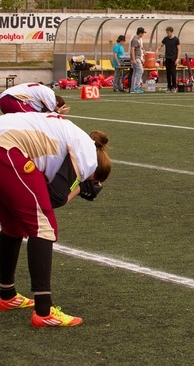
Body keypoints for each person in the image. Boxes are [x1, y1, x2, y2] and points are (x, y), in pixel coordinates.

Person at [0, 113, 111, 327]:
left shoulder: (74, 138)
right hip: (7, 148)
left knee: (14, 224)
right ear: (96, 173)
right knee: (43, 225)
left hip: (7, 143)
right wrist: (79, 188)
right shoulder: (87, 155)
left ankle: (6, 294)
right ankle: (44, 312)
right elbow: (54, 198)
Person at [0, 82, 69, 115]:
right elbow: (48, 117)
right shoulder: (51, 96)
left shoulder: (45, 92)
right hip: (12, 99)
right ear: (56, 103)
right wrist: (58, 112)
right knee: (32, 120)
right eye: (57, 107)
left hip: (6, 98)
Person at [157, 26, 181, 93]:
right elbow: (161, 45)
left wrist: (177, 59)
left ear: (172, 32)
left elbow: (179, 49)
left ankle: (174, 87)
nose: (168, 34)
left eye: (168, 33)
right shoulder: (166, 39)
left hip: (173, 58)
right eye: (167, 33)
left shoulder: (176, 39)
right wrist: (157, 49)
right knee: (168, 73)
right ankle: (169, 87)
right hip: (167, 58)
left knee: (173, 73)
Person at [129, 26, 146, 94]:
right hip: (136, 58)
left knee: (135, 73)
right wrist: (133, 59)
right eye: (143, 33)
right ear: (140, 33)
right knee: (140, 71)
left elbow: (139, 47)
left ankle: (133, 88)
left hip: (137, 58)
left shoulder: (137, 40)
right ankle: (136, 86)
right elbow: (132, 49)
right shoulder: (135, 40)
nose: (143, 35)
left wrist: (143, 49)